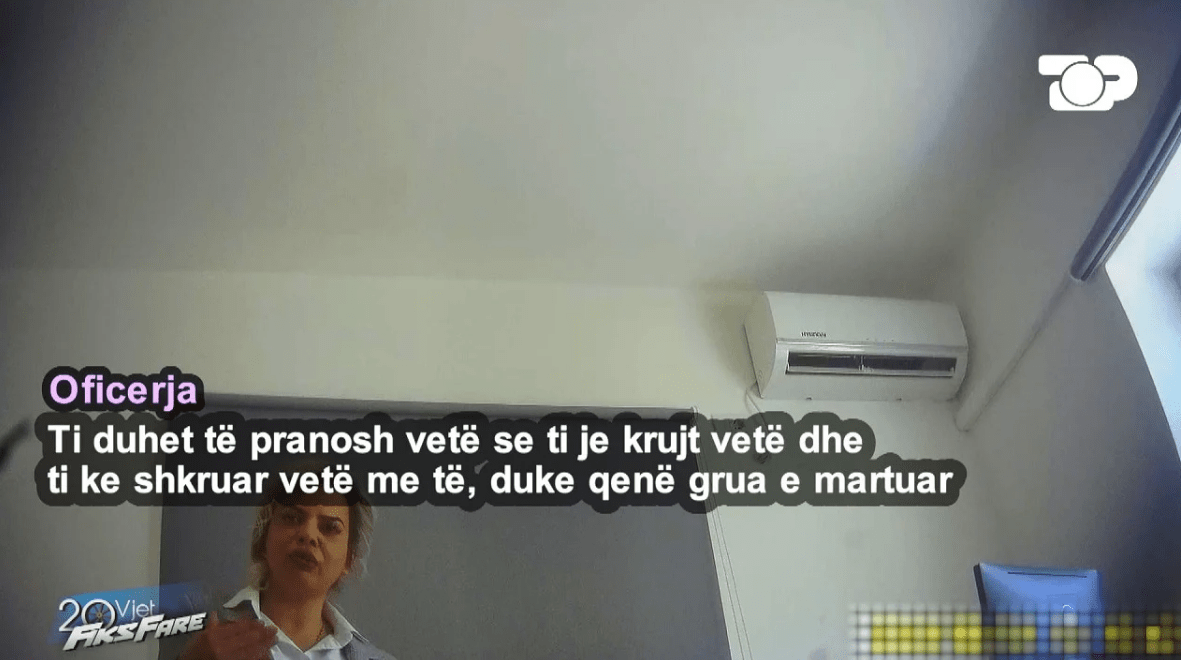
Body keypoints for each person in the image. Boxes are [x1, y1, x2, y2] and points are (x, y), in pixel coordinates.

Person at [178, 463, 396, 660]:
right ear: (263, 538)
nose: (308, 534)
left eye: (330, 527)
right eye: (292, 517)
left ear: (349, 559)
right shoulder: (188, 618)